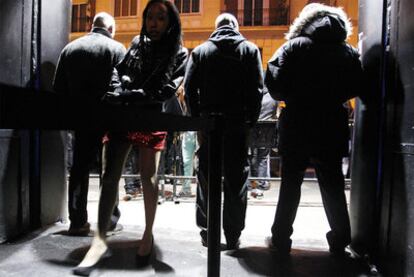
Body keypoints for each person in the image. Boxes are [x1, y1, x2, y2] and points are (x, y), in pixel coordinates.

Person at [73, 1, 188, 274]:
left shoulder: (179, 52)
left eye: (160, 18)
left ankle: (147, 234)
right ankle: (99, 239)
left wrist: (140, 95)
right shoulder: (137, 43)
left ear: (170, 22)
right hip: (124, 114)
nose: (154, 23)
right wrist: (118, 89)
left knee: (148, 178)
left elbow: (170, 86)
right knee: (110, 174)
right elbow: (118, 69)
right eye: (150, 17)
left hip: (150, 118)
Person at [264, 3, 363, 257]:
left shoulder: (293, 46)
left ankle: (281, 237)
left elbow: (274, 84)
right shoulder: (347, 51)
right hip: (331, 124)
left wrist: (294, 96)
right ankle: (340, 238)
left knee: (290, 184)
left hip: (297, 122)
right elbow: (357, 84)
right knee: (333, 185)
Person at [184, 13, 264, 250]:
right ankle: (232, 234)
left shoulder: (200, 52)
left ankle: (208, 230)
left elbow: (189, 89)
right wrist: (251, 120)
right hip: (237, 122)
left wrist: (197, 120)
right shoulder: (250, 51)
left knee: (206, 178)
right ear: (236, 27)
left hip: (209, 123)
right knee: (236, 180)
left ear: (216, 27)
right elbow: (257, 90)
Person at [53, 12, 126, 236]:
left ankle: (77, 220)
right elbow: (124, 88)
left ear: (91, 25)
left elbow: (59, 89)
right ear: (111, 29)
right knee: (111, 170)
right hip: (110, 117)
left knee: (79, 168)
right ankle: (109, 220)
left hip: (81, 117)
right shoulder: (117, 49)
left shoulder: (71, 49)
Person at [247, 90, 278, 198]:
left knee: (250, 157)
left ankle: (249, 183)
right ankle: (262, 183)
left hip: (252, 130)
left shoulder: (252, 95)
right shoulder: (273, 97)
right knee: (263, 158)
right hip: (267, 132)